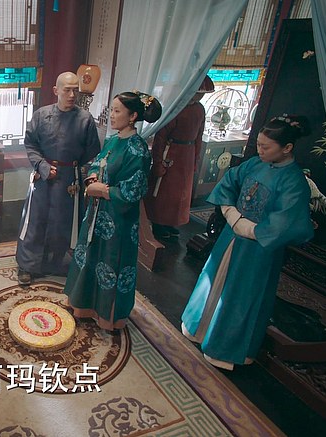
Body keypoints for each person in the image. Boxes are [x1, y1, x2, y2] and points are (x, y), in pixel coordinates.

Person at [181, 114, 314, 370]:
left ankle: (225, 349)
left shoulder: (294, 181)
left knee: (243, 293)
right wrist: (231, 213)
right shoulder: (255, 164)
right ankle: (199, 327)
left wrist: (251, 229)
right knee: (214, 278)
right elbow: (229, 182)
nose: (259, 150)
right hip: (232, 234)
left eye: (266, 147)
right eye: (259, 145)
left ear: (287, 148)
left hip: (258, 248)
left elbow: (287, 222)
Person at [63, 91, 162, 330]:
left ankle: (108, 317)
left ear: (133, 116)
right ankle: (83, 304)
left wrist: (104, 190)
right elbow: (97, 164)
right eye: (112, 110)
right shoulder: (112, 140)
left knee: (110, 262)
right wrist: (92, 181)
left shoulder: (138, 149)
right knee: (88, 256)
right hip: (96, 211)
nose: (112, 115)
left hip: (119, 219)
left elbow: (134, 190)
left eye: (117, 111)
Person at [16, 71, 101, 286]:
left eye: (75, 90)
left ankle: (57, 264)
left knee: (64, 222)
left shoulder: (85, 119)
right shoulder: (41, 115)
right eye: (67, 90)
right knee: (35, 221)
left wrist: (75, 168)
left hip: (70, 180)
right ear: (56, 90)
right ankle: (27, 265)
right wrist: (42, 166)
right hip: (43, 176)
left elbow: (92, 150)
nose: (72, 95)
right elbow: (31, 144)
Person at [145, 76, 214, 240]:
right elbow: (161, 137)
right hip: (172, 152)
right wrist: (158, 162)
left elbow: (199, 136)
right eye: (198, 93)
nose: (199, 97)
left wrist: (195, 159)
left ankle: (172, 222)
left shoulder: (200, 110)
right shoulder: (176, 108)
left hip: (187, 154)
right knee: (165, 191)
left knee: (181, 193)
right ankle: (158, 222)